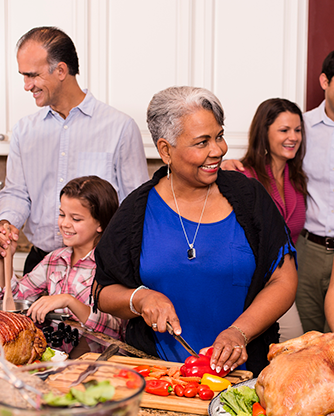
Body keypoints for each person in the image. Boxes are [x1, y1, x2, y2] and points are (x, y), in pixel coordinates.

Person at [92, 86, 297, 375]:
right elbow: (103, 291)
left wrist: (240, 332)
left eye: (219, 136)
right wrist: (140, 298)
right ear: (166, 150)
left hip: (245, 375)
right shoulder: (136, 210)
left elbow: (284, 280)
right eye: (202, 142)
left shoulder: (249, 198)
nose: (218, 150)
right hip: (160, 377)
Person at [222, 48, 334, 333]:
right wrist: (223, 164)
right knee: (305, 336)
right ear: (324, 82)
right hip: (306, 252)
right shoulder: (304, 123)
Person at [0, 26, 148, 274]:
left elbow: (134, 206)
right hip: (39, 263)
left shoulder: (120, 128)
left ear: (61, 70)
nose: (27, 86)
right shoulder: (24, 131)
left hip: (98, 267)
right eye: (24, 76)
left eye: (33, 75)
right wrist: (5, 224)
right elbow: (17, 193)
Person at [0, 176, 124, 339]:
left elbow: (116, 328)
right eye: (62, 214)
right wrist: (5, 257)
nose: (64, 223)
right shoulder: (54, 259)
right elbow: (13, 299)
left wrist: (68, 301)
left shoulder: (110, 266)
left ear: (101, 223)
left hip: (95, 357)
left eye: (76, 218)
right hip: (57, 354)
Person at [240, 98, 306, 341]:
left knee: (292, 348)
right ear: (264, 133)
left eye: (297, 130)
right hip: (248, 286)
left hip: (282, 283)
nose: (293, 137)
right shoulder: (242, 176)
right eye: (284, 130)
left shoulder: (297, 178)